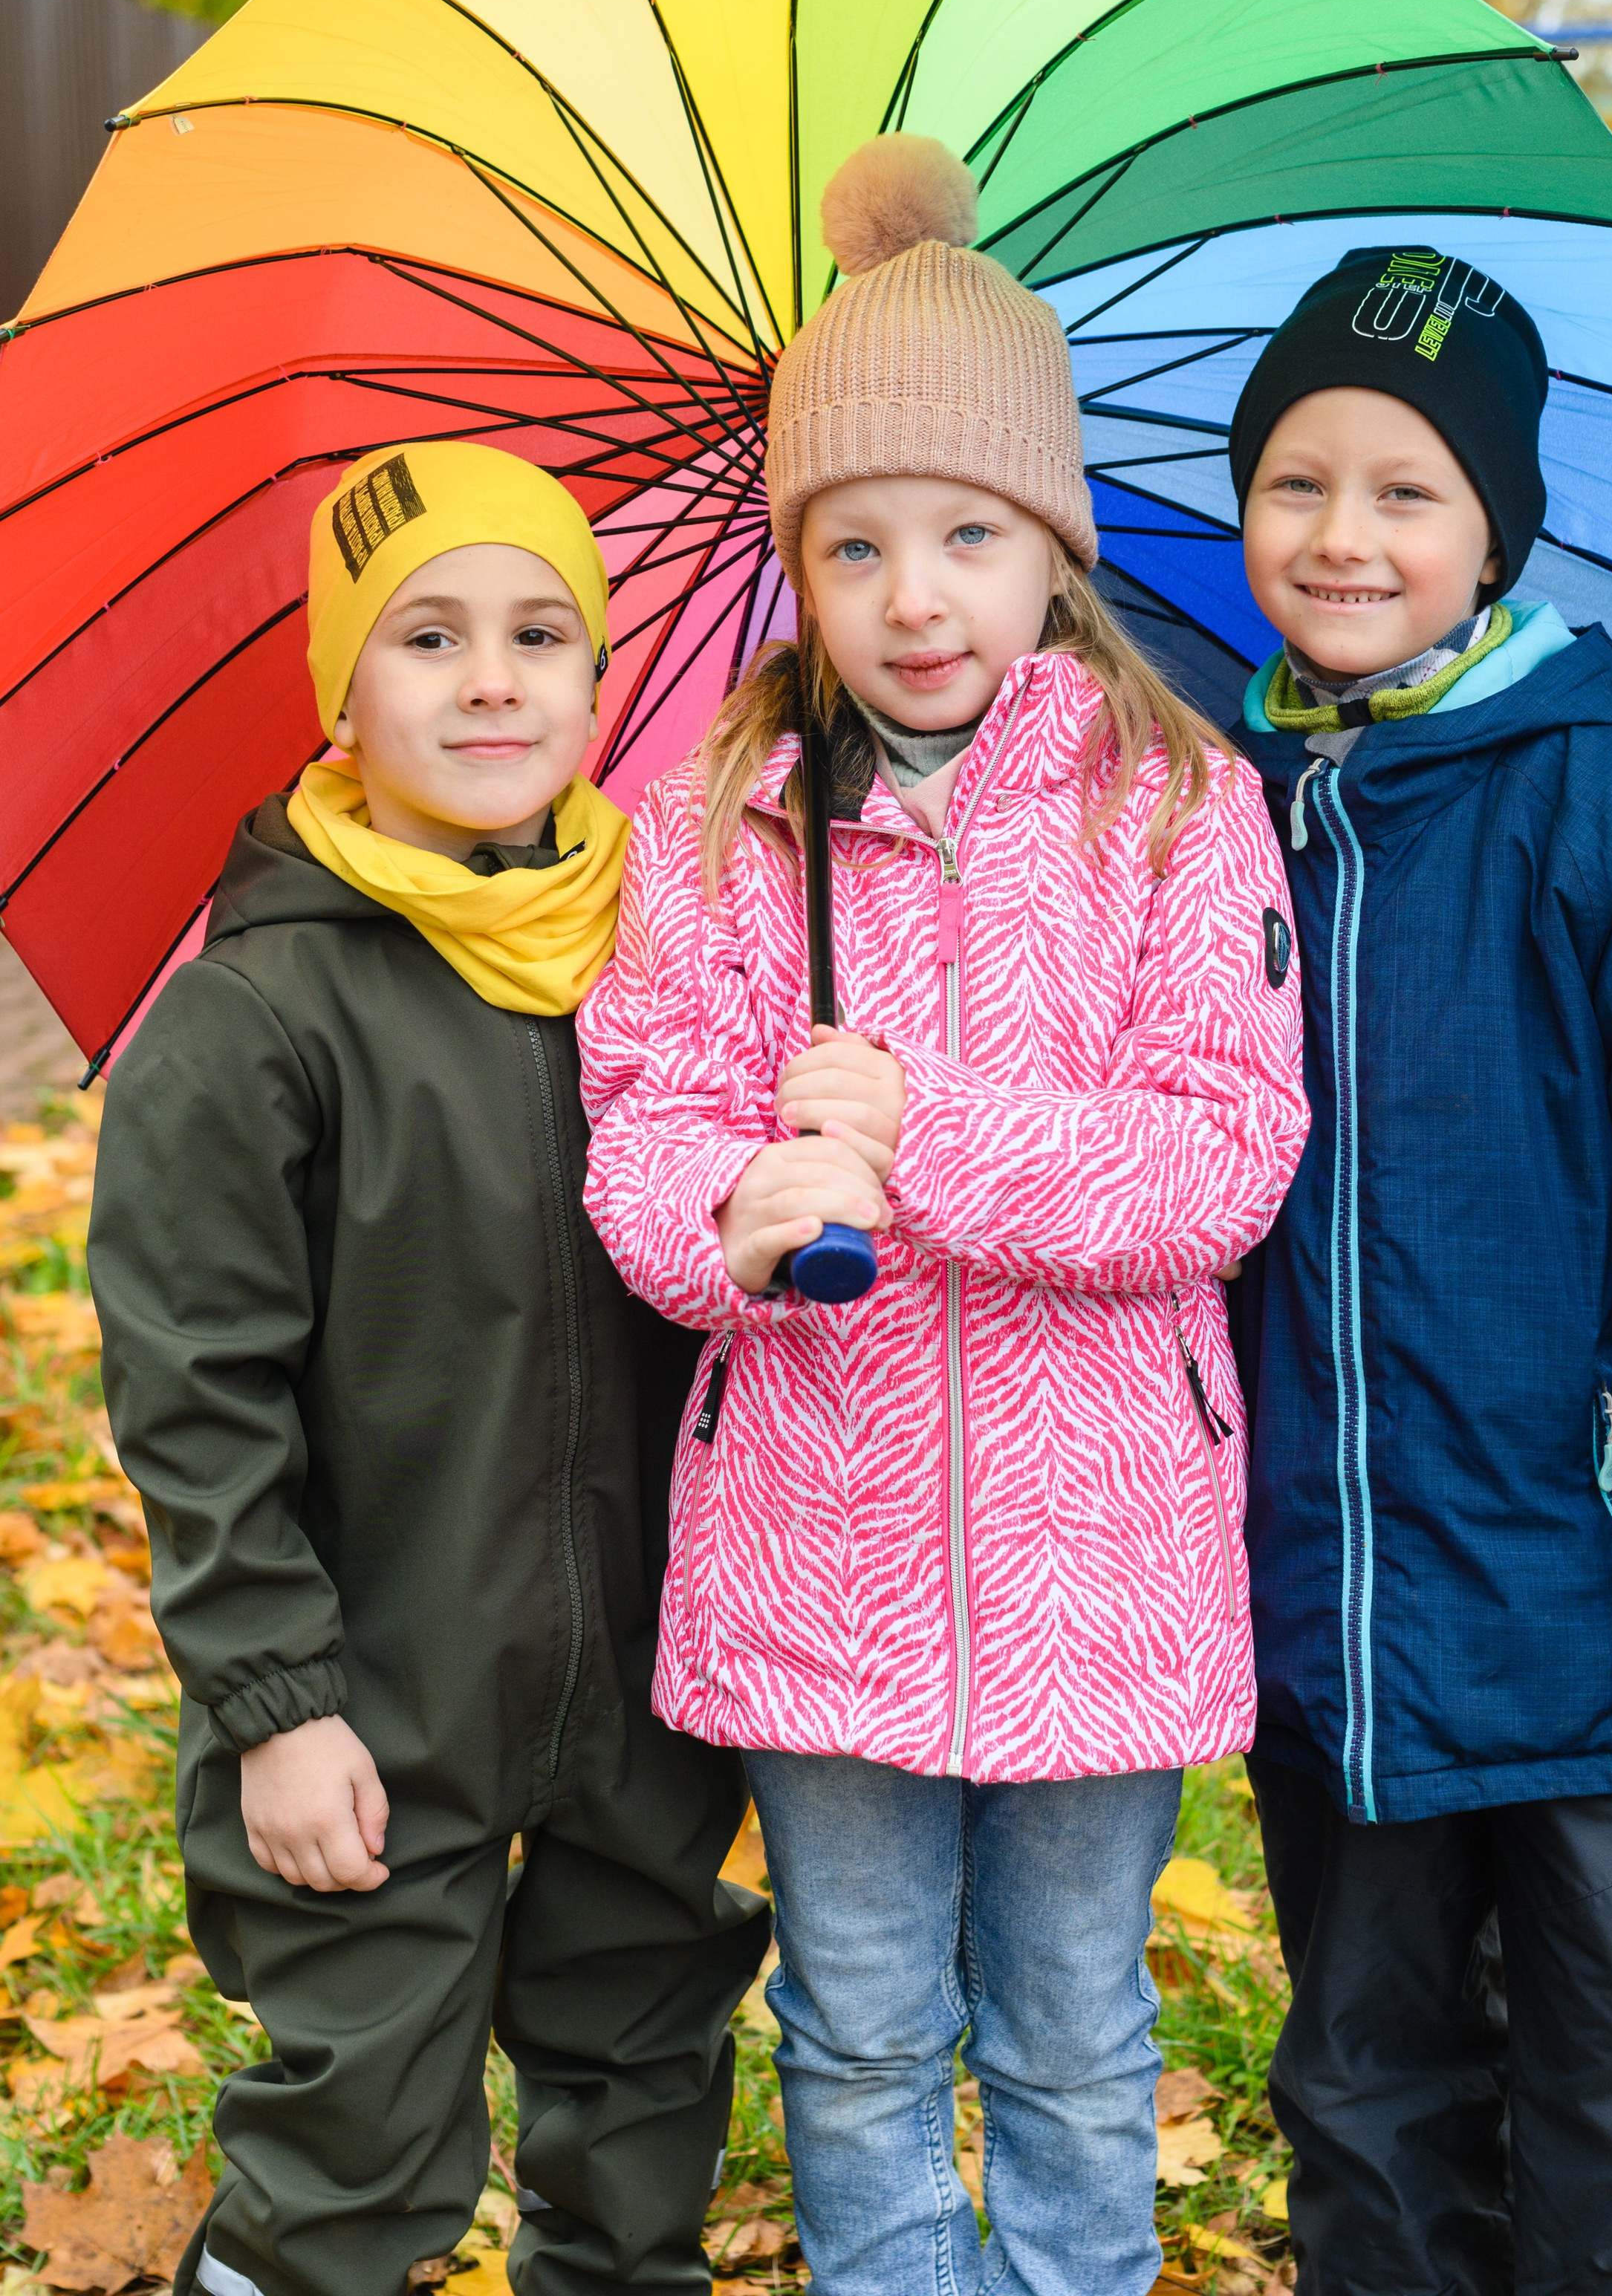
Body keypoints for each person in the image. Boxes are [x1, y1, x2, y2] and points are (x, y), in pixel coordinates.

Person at [577, 134, 1310, 2296]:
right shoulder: (711, 825)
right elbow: (638, 1125)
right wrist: (734, 1210)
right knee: (861, 2020)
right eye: (859, 543)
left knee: (1075, 2028)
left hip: (1105, 1552)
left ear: (1050, 549)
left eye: (970, 535)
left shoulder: (1177, 808)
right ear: (799, 565)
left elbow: (1223, 1156)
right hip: (820, 1543)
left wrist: (930, 1134)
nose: (916, 597)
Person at [1223, 245, 1612, 2296]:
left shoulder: (1609, 812)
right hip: (1331, 1625)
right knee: (1372, 2097)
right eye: (1296, 481)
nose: (1343, 535)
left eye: (1405, 492)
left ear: (1494, 531)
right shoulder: (1220, 820)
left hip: (1585, 1622)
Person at [90, 440, 767, 2296]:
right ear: (342, 688)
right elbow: (198, 1403)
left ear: (600, 678)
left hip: (647, 1682)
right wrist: (277, 1702)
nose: (490, 681)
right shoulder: (257, 1015)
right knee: (357, 2149)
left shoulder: (678, 956)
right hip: (374, 1697)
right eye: (428, 636)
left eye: (540, 634)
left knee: (640, 2111)